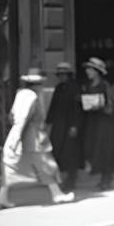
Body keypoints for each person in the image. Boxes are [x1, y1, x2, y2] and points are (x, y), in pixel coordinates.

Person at [0, 68, 75, 208]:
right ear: (36, 84)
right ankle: (57, 194)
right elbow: (24, 118)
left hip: (21, 134)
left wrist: (15, 136)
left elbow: (12, 116)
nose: (41, 86)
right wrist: (18, 137)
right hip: (33, 136)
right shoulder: (31, 96)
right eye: (40, 83)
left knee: (12, 166)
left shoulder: (20, 94)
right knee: (46, 164)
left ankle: (2, 197)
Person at [79, 57, 114, 190]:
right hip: (93, 122)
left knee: (104, 149)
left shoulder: (105, 85)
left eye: (90, 69)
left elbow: (112, 104)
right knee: (92, 148)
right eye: (87, 69)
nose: (87, 72)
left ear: (97, 71)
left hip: (105, 123)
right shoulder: (87, 86)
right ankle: (102, 175)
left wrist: (100, 105)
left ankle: (106, 178)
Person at [46, 61, 82, 193]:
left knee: (70, 153)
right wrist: (48, 122)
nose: (61, 77)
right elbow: (53, 106)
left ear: (68, 75)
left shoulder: (75, 89)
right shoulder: (58, 88)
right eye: (59, 74)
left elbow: (77, 109)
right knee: (58, 151)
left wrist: (75, 125)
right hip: (58, 125)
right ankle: (61, 178)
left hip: (70, 124)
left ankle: (71, 180)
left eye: (64, 74)